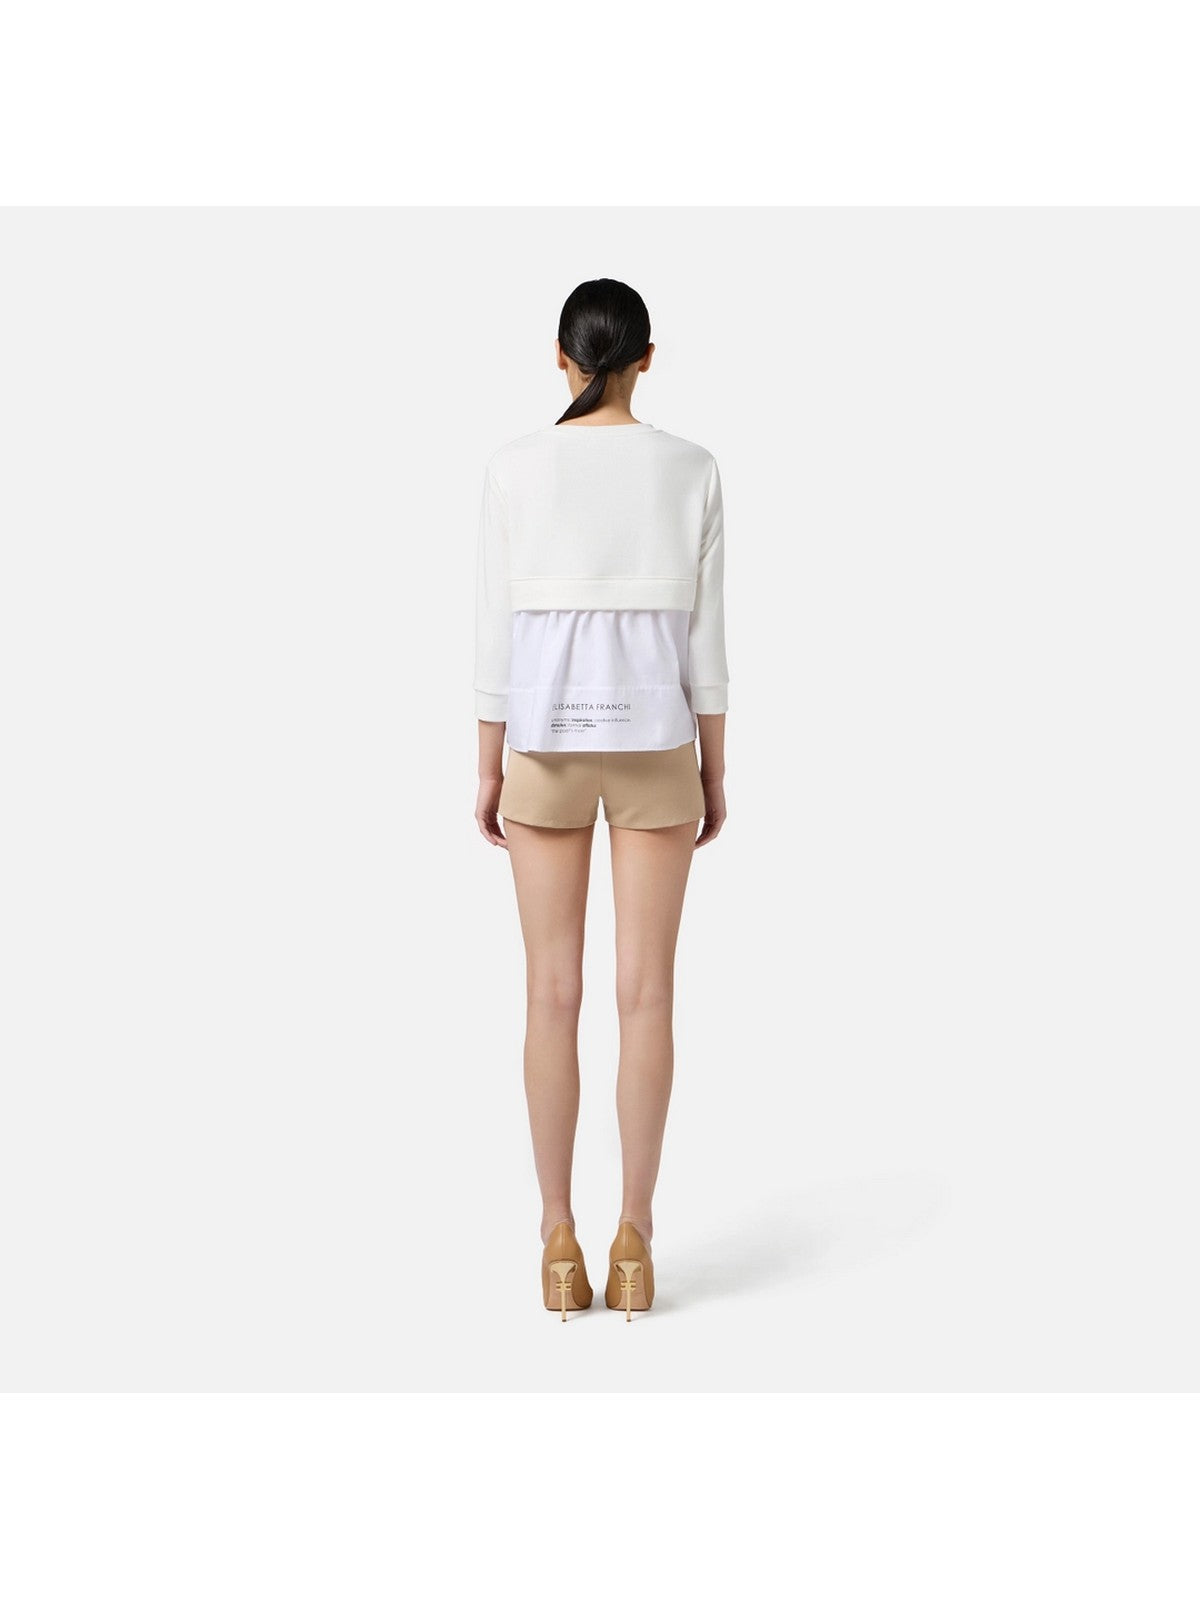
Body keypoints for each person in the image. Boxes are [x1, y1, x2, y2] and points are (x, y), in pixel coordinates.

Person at [472, 278, 729, 1321]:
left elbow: (495, 633)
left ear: (562, 356)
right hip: (658, 742)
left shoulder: (513, 467)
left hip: (543, 745)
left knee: (550, 993)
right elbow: (707, 639)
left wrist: (488, 765)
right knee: (646, 994)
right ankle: (635, 1237)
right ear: (647, 358)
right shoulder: (692, 468)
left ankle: (555, 1237)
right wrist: (715, 767)